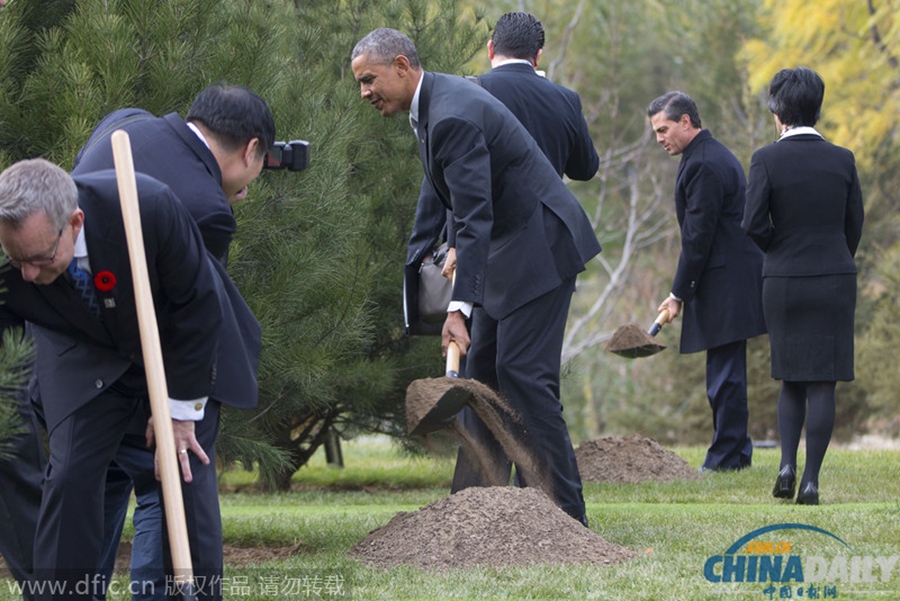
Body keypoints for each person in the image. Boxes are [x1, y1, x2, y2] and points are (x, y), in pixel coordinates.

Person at [352, 28, 601, 525]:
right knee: (482, 373)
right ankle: (476, 514)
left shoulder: (453, 113)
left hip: (542, 245)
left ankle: (565, 518)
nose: (364, 93)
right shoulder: (432, 105)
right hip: (505, 252)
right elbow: (442, 192)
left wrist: (458, 309)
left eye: (369, 80)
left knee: (525, 377)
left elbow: (476, 214)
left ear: (402, 66)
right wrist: (426, 253)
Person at [0, 158, 260, 601]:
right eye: (16, 259)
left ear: (74, 222)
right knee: (69, 476)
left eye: (40, 258)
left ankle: (192, 593)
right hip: (82, 353)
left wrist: (179, 413)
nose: (27, 274)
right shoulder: (16, 255)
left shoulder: (148, 207)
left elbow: (198, 307)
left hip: (175, 350)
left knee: (182, 470)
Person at [70, 83, 275, 597]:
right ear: (252, 150)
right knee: (177, 482)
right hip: (147, 369)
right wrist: (180, 409)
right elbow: (193, 313)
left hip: (82, 358)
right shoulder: (207, 208)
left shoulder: (126, 123)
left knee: (98, 489)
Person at [444, 11, 599, 495]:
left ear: (491, 48)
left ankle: (489, 499)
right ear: (538, 56)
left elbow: (457, 179)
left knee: (486, 375)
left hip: (487, 249)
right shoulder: (563, 98)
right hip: (544, 249)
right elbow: (586, 167)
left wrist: (449, 241)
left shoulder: (471, 91)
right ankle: (507, 502)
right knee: (523, 374)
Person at [742, 67, 864, 505]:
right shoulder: (843, 159)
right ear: (818, 107)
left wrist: (782, 251)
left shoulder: (766, 159)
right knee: (822, 382)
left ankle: (786, 465)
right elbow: (854, 226)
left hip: (784, 280)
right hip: (833, 277)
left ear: (778, 111)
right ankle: (811, 480)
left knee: (790, 377)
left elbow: (753, 224)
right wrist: (831, 255)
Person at [648, 91, 767, 472]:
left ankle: (725, 460)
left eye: (663, 129)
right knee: (725, 373)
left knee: (725, 378)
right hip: (728, 279)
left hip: (727, 282)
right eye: (655, 132)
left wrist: (677, 293)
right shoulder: (706, 155)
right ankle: (736, 454)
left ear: (686, 122)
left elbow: (698, 239)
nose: (659, 139)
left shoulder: (703, 164)